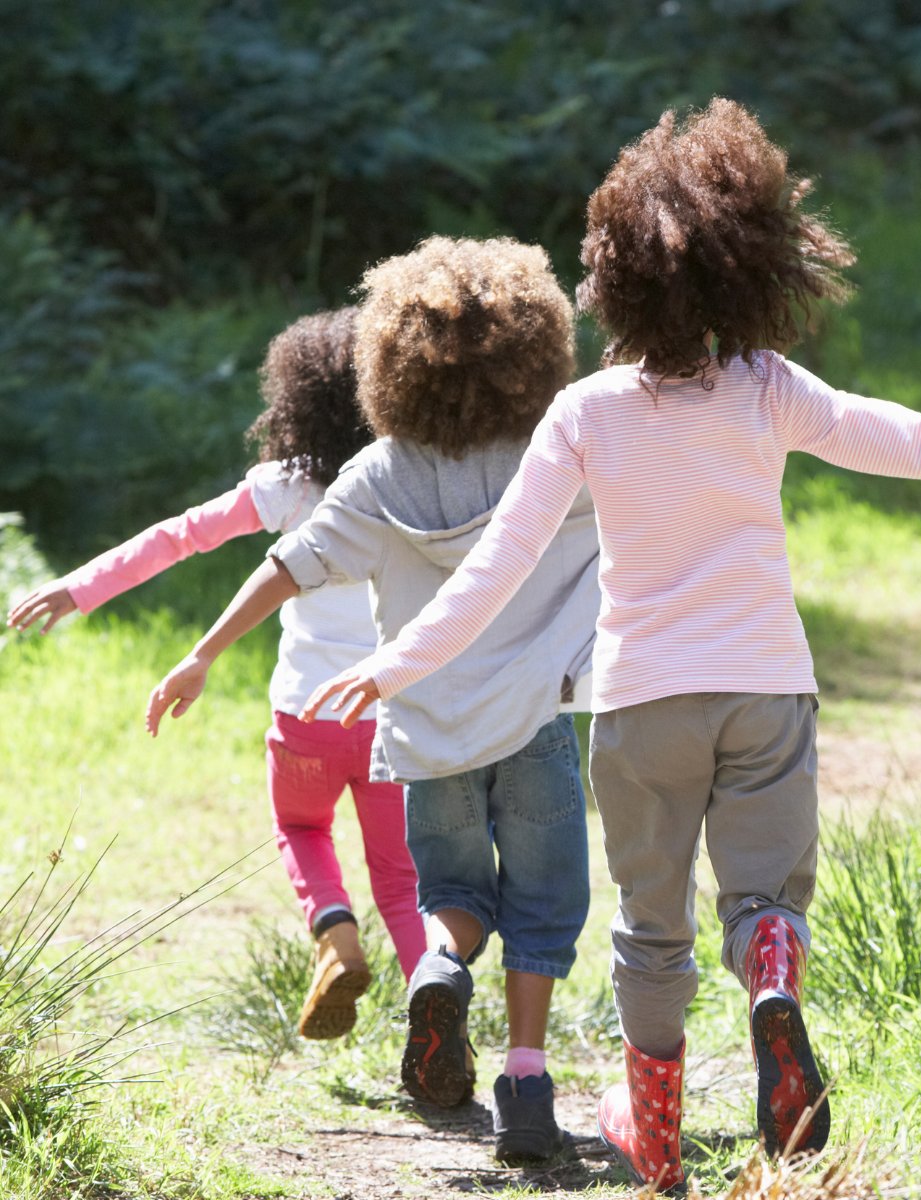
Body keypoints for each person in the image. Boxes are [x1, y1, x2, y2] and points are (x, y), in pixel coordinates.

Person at [305, 99, 921, 1192]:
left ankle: (656, 1134)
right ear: (751, 265)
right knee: (765, 896)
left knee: (649, 930)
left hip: (641, 705)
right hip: (767, 689)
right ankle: (771, 972)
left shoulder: (583, 412)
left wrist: (398, 663)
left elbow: (496, 569)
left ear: (612, 273)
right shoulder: (769, 392)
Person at [144, 238, 599, 1165]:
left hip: (426, 735)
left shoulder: (380, 473)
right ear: (534, 347)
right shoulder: (554, 457)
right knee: (544, 910)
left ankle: (438, 970)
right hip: (536, 725)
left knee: (456, 896)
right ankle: (525, 1086)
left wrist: (199, 655)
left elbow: (285, 566)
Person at [7, 308, 426, 1039]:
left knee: (300, 824)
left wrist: (80, 587)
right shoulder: (413, 479)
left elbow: (180, 537)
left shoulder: (291, 486)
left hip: (306, 716)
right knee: (401, 879)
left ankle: (334, 935)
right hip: (393, 715)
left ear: (299, 399)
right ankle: (435, 1014)